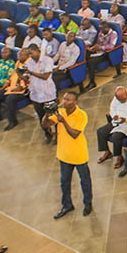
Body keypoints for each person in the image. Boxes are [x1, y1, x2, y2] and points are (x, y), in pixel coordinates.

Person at [45, 91, 93, 219]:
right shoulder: (60, 112)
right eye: (64, 99)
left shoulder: (82, 115)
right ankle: (67, 205)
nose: (64, 101)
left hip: (79, 155)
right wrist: (47, 113)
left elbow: (75, 134)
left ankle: (88, 203)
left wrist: (64, 121)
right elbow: (45, 124)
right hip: (64, 155)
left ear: (75, 103)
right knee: (64, 182)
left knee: (85, 181)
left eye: (68, 100)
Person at [96, 86, 127, 169]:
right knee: (101, 132)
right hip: (117, 121)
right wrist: (114, 116)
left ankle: (119, 157)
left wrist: (125, 120)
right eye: (119, 100)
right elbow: (112, 108)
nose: (121, 102)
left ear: (126, 94)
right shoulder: (116, 98)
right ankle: (107, 152)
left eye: (123, 100)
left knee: (116, 137)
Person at [25, 43, 57, 141]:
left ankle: (58, 136)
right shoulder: (29, 63)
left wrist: (31, 72)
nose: (31, 56)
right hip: (36, 95)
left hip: (48, 94)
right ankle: (48, 134)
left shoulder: (47, 60)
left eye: (32, 53)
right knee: (41, 117)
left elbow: (45, 76)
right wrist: (21, 75)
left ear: (38, 51)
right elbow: (27, 78)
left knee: (53, 116)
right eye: (29, 54)